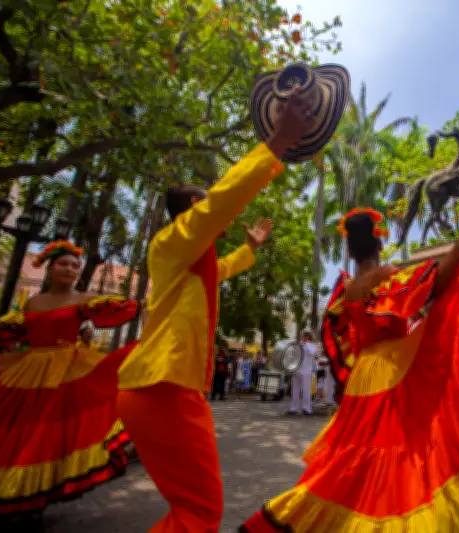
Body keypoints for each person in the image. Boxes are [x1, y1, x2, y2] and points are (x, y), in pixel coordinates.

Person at [240, 203, 459, 533]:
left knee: (357, 458)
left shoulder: (346, 288)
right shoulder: (386, 275)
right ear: (379, 240)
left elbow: (346, 335)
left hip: (365, 375)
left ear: (351, 247)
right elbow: (438, 281)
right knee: (403, 454)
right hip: (395, 369)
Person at [116, 92, 311, 533]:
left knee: (193, 510)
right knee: (199, 513)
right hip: (163, 387)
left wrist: (250, 250)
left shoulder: (191, 261)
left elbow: (220, 269)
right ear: (191, 210)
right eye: (203, 205)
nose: (214, 213)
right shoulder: (171, 241)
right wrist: (277, 143)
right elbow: (223, 199)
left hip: (159, 389)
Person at [0, 241, 142, 524]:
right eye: (63, 264)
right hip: (27, 372)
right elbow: (7, 333)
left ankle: (37, 496)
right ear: (50, 268)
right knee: (16, 431)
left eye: (74, 265)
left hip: (67, 373)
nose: (69, 269)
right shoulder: (33, 302)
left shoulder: (84, 299)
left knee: (48, 435)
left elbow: (121, 309)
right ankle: (9, 493)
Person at [288, 331, 317, 415]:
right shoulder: (299, 344)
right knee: (295, 390)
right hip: (297, 370)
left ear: (308, 337)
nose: (302, 338)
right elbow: (293, 355)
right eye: (302, 336)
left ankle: (307, 409)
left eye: (304, 336)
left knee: (306, 391)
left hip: (306, 371)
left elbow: (312, 353)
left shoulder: (312, 346)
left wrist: (306, 343)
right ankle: (293, 408)